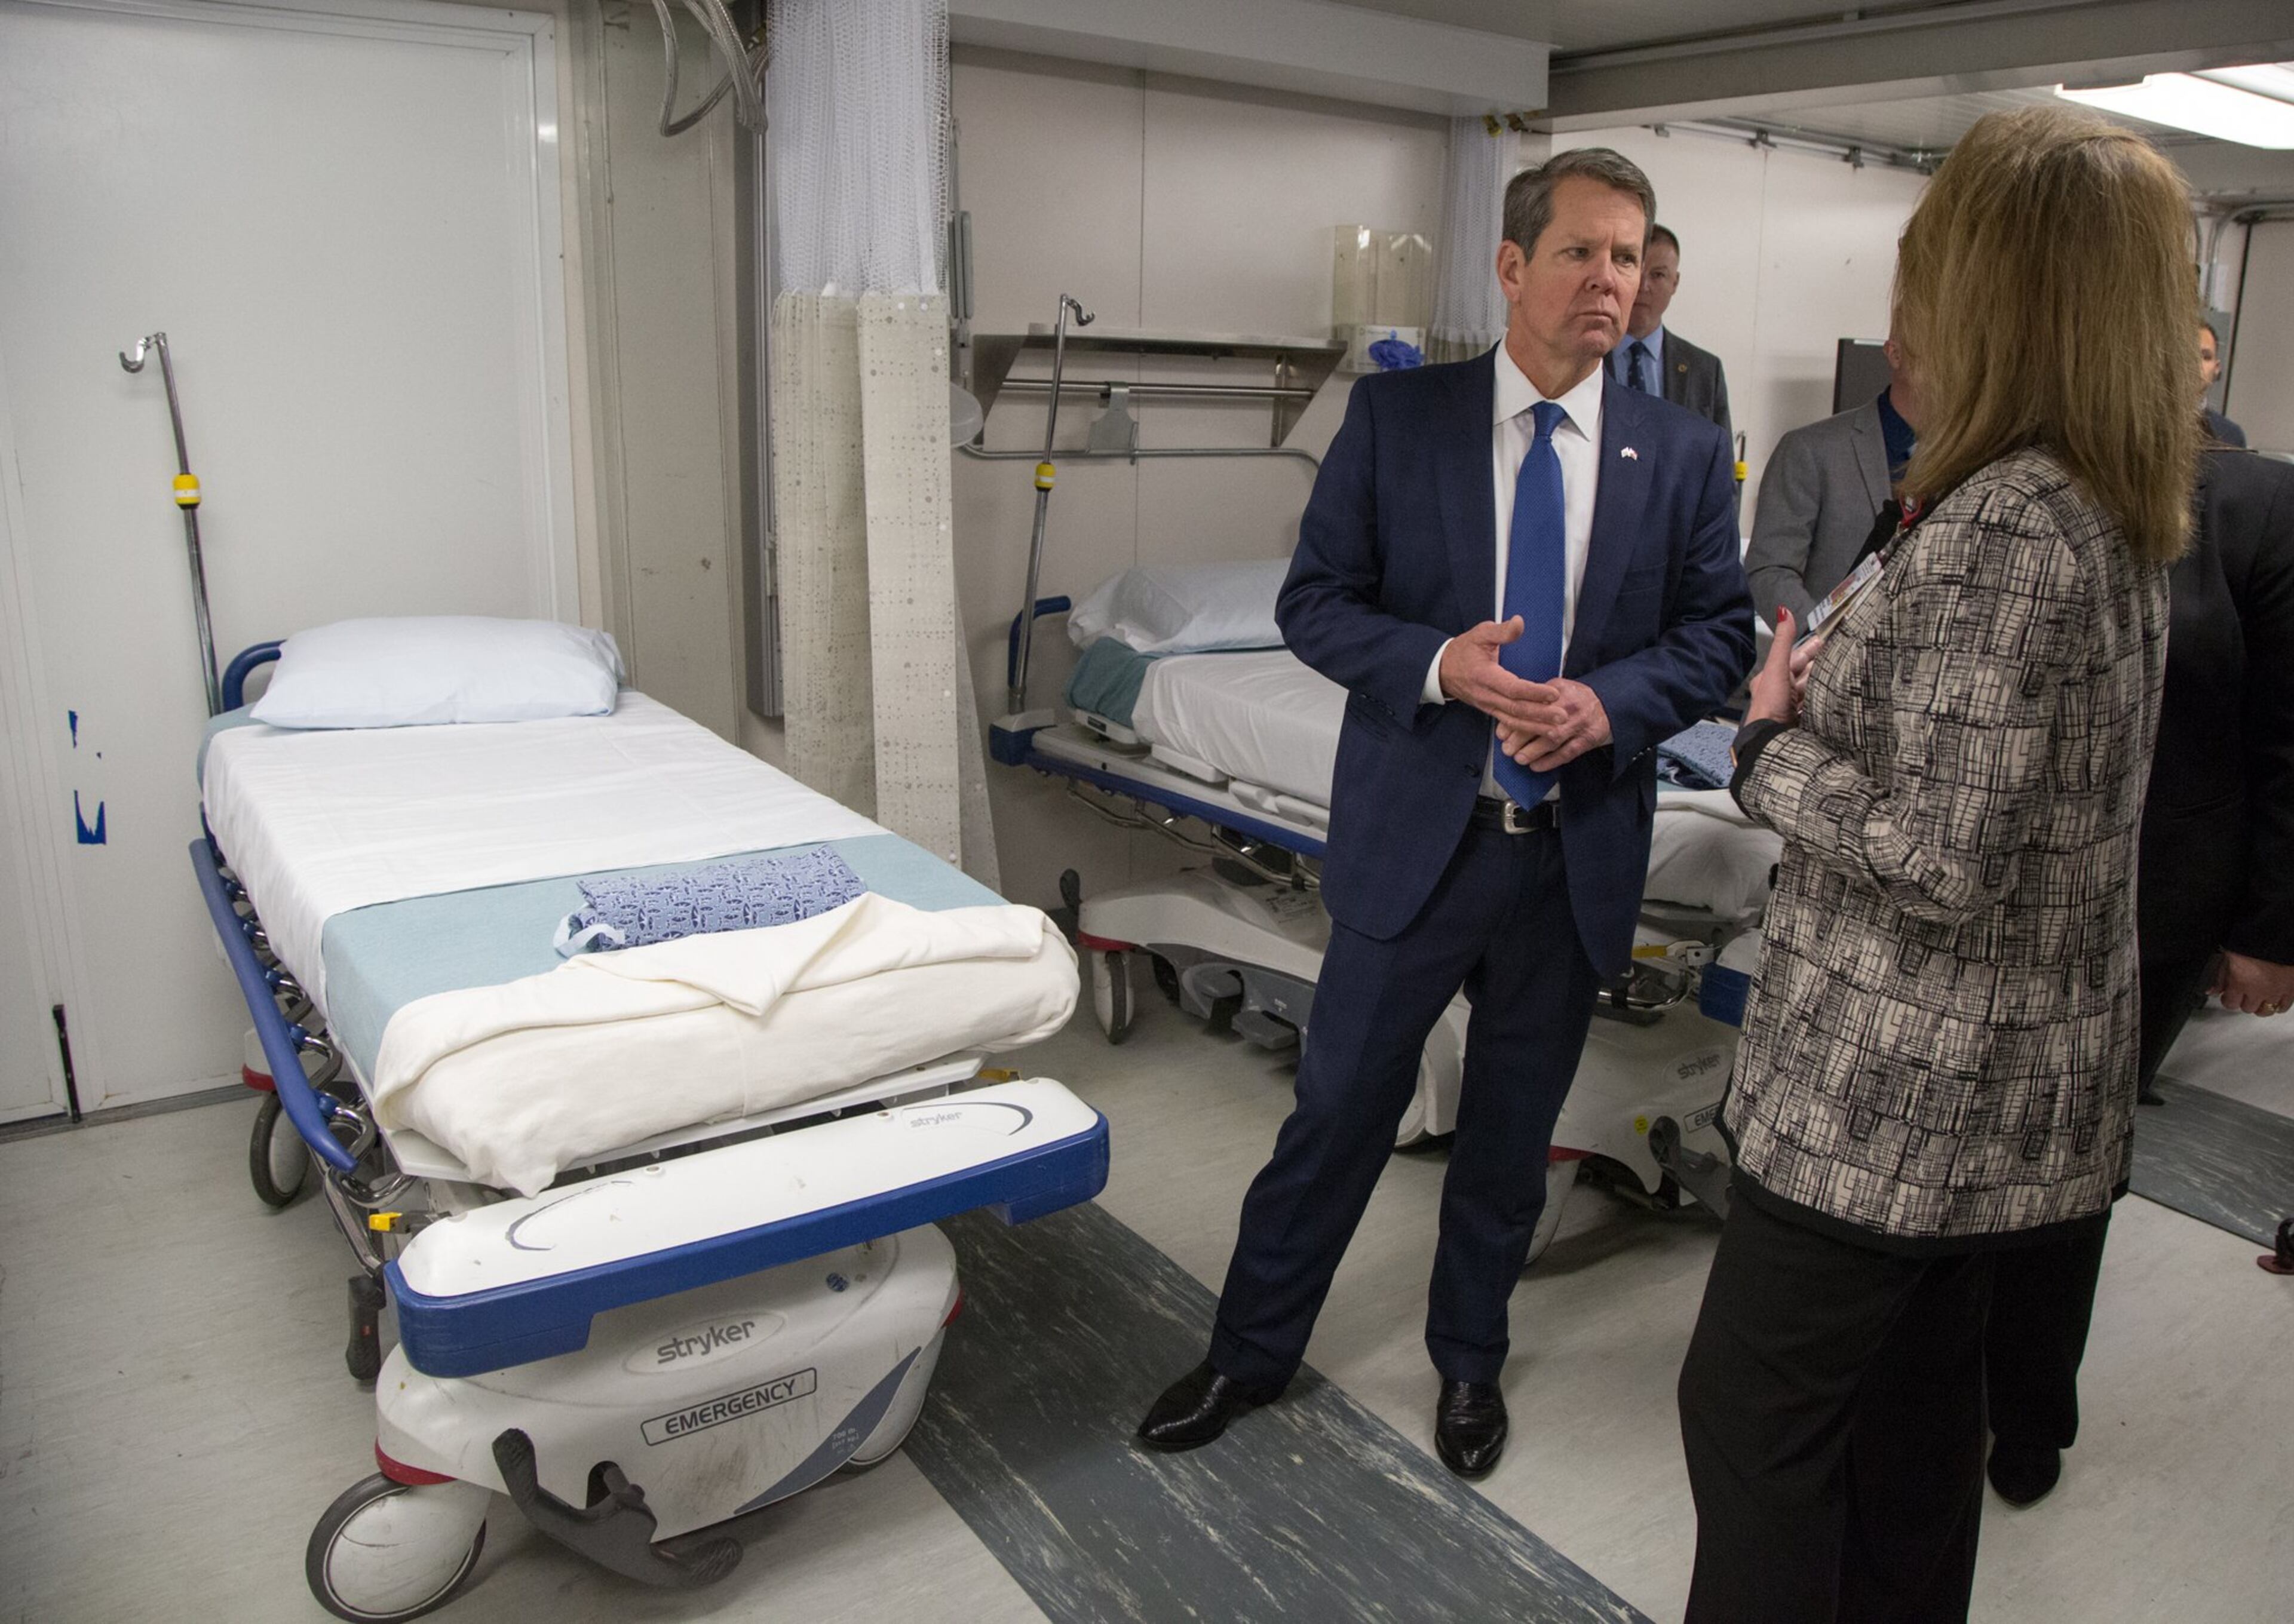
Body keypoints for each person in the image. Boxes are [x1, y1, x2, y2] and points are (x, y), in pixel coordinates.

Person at [1135, 149, 1753, 1478]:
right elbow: (1315, 603)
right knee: (1337, 1115)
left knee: (1511, 1141)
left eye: (1632, 258)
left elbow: (1717, 636)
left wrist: (1607, 706)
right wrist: (1437, 666)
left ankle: (1468, 1365)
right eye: (1584, 251)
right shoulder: (1401, 421)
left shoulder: (1685, 453)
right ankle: (1248, 1350)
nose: (1612, 280)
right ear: (1513, 266)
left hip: (1569, 855)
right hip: (1423, 838)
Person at [1676, 105, 2195, 1622]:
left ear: (1997, 289)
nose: (1907, 302)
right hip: (1986, 1112)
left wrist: (1771, 753)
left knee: (1752, 1426)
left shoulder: (2007, 525)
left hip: (1888, 1105)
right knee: (1908, 1442)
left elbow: (1942, 852)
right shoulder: (2091, 497)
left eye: (1930, 265)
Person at [1982, 434, 2294, 1507]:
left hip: (2154, 905)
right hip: (1991, 881)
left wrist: (2270, 927)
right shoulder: (1996, 468)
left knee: (2075, 1164)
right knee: (1974, 1147)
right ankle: (1936, 1379)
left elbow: (2288, 736)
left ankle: (2026, 1410)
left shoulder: (2251, 505)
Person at [1743, 315, 1923, 627]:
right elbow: (1771, 571)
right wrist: (1822, 644)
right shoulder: (1810, 450)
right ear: (1895, 353)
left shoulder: (1976, 466)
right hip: (1825, 665)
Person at [1607, 225, 1734, 453]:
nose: (1643, 287)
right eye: (1635, 271)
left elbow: (1721, 466)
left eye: (1658, 275)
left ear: (1675, 283)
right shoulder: (1583, 355)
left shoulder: (1705, 370)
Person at [2200, 316, 2247, 447]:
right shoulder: (2144, 425)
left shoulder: (2231, 435)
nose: (2196, 363)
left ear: (2217, 368)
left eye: (2206, 357)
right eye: (2188, 354)